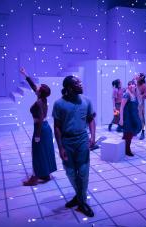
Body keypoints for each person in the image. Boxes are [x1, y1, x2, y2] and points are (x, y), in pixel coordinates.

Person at [52, 75, 96, 217]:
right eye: (77, 83)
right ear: (69, 88)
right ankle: (79, 196)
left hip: (82, 140)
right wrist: (60, 147)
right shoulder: (59, 104)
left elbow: (90, 120)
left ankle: (82, 202)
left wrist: (93, 137)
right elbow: (57, 126)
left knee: (83, 172)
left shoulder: (86, 101)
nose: (81, 84)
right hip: (67, 142)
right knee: (70, 172)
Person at [19, 68, 57, 186]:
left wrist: (37, 135)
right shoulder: (43, 98)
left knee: (37, 153)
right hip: (46, 128)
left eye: (38, 88)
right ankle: (45, 175)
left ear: (40, 92)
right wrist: (25, 74)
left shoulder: (39, 102)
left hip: (41, 128)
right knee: (44, 151)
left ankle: (35, 178)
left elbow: (40, 119)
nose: (37, 88)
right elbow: (33, 86)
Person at [119, 80, 142, 156]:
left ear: (135, 86)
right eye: (129, 84)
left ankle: (124, 148)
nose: (131, 86)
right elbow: (121, 107)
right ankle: (127, 150)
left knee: (129, 134)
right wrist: (121, 119)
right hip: (128, 118)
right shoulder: (126, 94)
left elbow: (137, 106)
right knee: (128, 134)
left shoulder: (134, 95)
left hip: (133, 117)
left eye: (133, 84)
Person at [135, 73, 146, 140]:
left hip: (140, 104)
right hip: (134, 103)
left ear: (141, 77)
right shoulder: (134, 83)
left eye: (138, 75)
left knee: (141, 118)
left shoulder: (144, 85)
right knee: (135, 117)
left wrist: (141, 96)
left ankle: (143, 132)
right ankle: (136, 130)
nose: (136, 76)